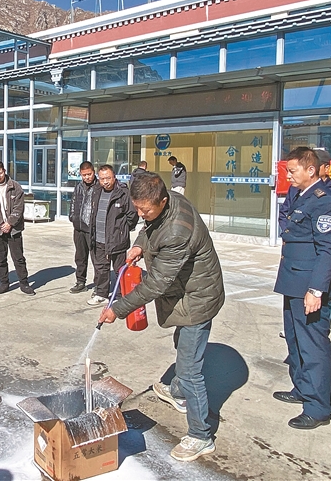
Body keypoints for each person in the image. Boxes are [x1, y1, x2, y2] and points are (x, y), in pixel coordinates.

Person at [97, 172, 224, 462]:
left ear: (162, 201)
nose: (141, 215)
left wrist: (118, 309)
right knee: (183, 346)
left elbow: (156, 285)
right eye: (137, 208)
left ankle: (201, 436)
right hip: (187, 293)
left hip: (198, 298)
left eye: (145, 210)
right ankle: (178, 391)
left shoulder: (177, 232)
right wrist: (139, 245)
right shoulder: (165, 202)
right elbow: (149, 227)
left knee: (190, 370)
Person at [273, 147, 331, 430]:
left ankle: (318, 408)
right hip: (292, 281)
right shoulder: (300, 195)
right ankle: (302, 388)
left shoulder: (324, 202)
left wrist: (316, 290)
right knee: (295, 341)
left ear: (310, 170)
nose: (288, 176)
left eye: (292, 171)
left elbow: (327, 250)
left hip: (308, 287)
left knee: (313, 347)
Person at [87, 165, 138, 306]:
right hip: (98, 239)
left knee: (119, 269)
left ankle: (121, 296)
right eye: (102, 178)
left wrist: (122, 229)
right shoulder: (96, 191)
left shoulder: (123, 193)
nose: (105, 181)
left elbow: (132, 215)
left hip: (117, 239)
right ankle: (101, 294)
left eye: (108, 178)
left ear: (114, 177)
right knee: (101, 269)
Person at [280, 148, 331, 245]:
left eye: (318, 164)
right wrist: (289, 235)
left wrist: (330, 240)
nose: (289, 176)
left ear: (326, 168)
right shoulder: (295, 188)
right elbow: (284, 213)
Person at [0, 160, 33, 296]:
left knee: (18, 258)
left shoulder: (15, 187)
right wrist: (0, 224)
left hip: (14, 229)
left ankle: (24, 283)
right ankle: (4, 283)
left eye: (0, 173)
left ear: (4, 171)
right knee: (0, 258)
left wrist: (10, 223)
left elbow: (19, 208)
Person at [68, 161, 97, 294]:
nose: (87, 177)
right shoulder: (78, 187)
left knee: (96, 258)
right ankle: (80, 282)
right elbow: (73, 202)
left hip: (92, 229)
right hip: (78, 227)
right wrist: (72, 217)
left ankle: (99, 286)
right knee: (80, 257)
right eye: (84, 175)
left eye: (89, 174)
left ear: (93, 172)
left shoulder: (98, 187)